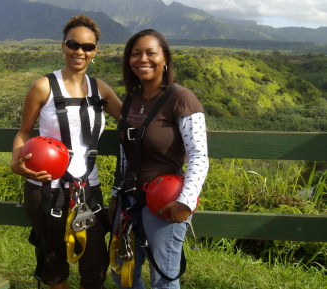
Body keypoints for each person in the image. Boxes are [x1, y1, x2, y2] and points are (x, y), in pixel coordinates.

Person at [11, 15, 122, 289]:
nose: (79, 52)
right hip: (47, 187)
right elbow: (24, 132)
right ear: (63, 46)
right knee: (53, 260)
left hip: (88, 187)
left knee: (95, 263)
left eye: (87, 47)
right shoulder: (43, 87)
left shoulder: (101, 89)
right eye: (73, 44)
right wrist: (16, 161)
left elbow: (132, 120)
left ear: (95, 51)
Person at [109, 29, 209, 289]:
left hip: (164, 201)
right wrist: (114, 195)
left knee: (163, 278)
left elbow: (199, 156)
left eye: (151, 52)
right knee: (123, 274)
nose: (143, 59)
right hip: (128, 199)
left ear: (165, 58)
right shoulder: (131, 99)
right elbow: (125, 154)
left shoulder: (182, 99)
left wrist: (185, 203)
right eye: (135, 53)